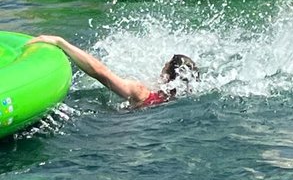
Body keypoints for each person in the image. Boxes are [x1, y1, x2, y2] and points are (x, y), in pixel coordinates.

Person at [30, 35, 200, 109]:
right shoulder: (180, 97)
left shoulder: (141, 92)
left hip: (118, 129)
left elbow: (100, 72)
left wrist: (61, 43)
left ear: (166, 74)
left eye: (165, 65)